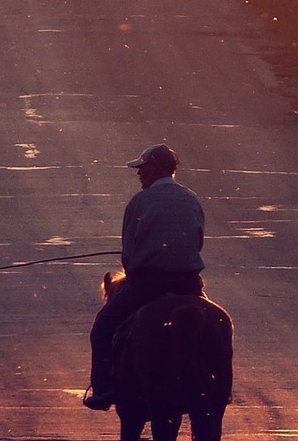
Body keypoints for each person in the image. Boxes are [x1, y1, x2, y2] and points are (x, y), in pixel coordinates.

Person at [83, 142, 206, 410]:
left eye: (143, 168)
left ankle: (104, 389)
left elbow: (128, 253)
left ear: (157, 169)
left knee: (103, 328)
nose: (139, 173)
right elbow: (197, 242)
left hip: (147, 284)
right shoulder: (192, 199)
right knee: (213, 325)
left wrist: (140, 261)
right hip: (189, 283)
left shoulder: (140, 202)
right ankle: (211, 385)